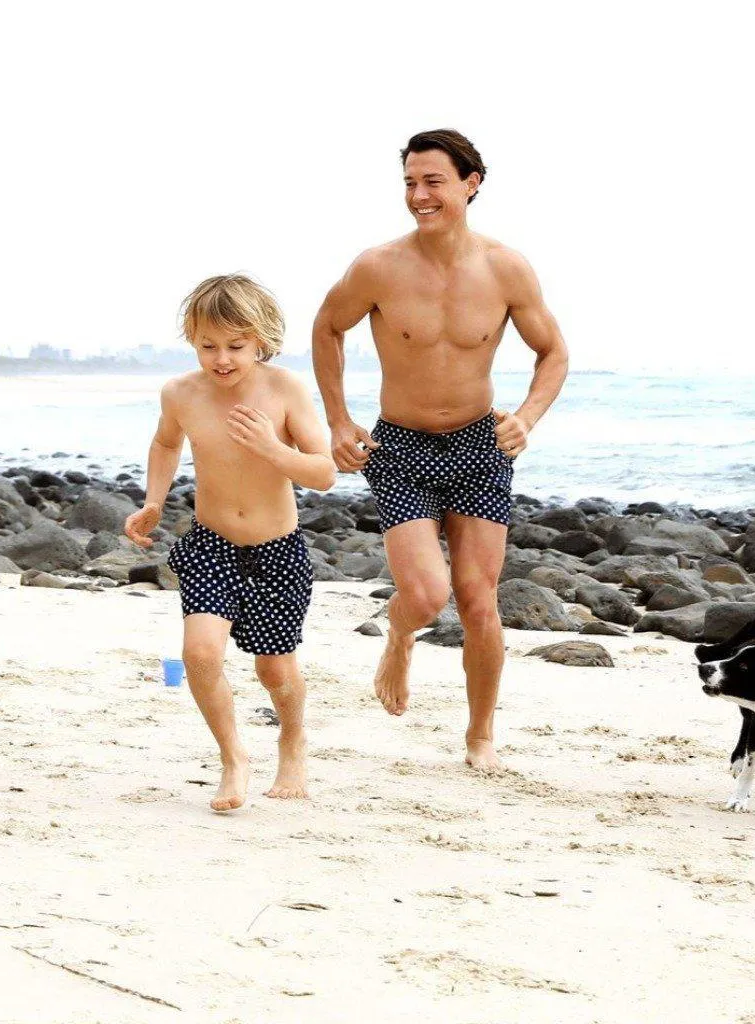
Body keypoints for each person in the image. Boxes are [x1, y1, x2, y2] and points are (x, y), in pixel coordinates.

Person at [312, 129, 568, 771]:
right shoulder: (378, 266)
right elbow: (327, 327)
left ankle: (480, 735)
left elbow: (553, 352)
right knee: (425, 596)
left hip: (481, 448)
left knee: (478, 600)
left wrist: (528, 418)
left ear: (471, 182)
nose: (419, 195)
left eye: (433, 181)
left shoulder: (506, 267)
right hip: (399, 448)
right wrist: (339, 421)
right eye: (409, 182)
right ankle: (399, 634)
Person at [125, 275, 336, 811]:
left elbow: (324, 472)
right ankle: (233, 758)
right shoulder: (180, 393)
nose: (221, 359)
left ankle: (292, 741)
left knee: (275, 671)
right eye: (207, 345)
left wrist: (272, 448)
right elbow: (166, 442)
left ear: (261, 339)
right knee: (199, 653)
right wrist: (154, 500)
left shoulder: (285, 389)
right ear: (191, 339)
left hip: (277, 550)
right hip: (211, 543)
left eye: (235, 346)